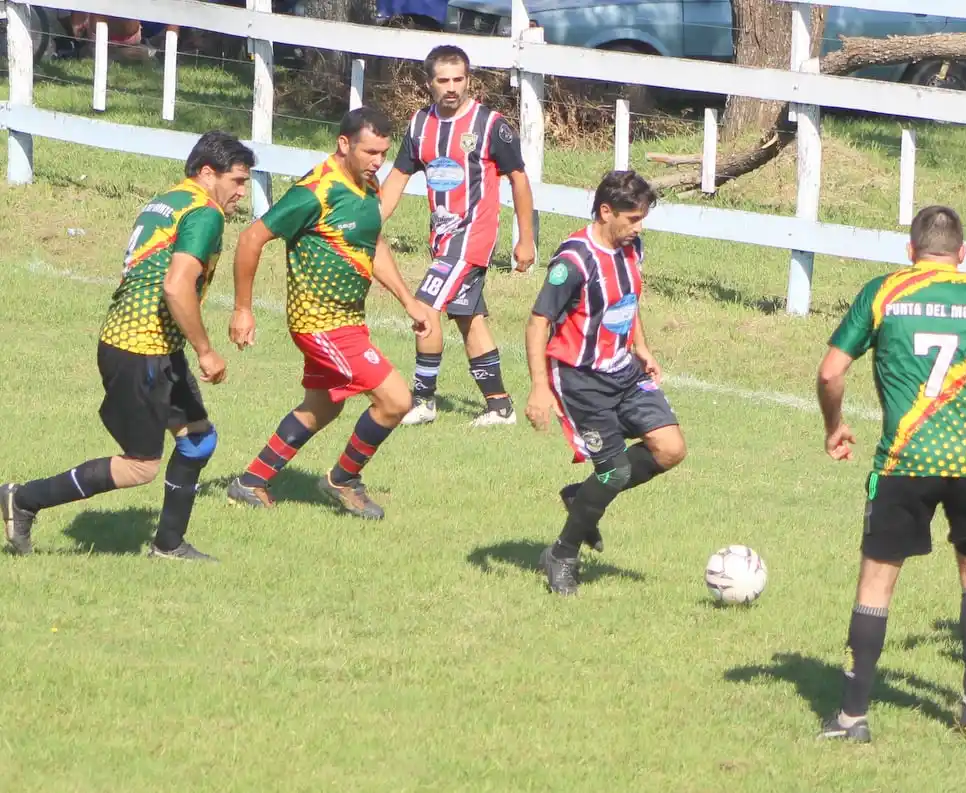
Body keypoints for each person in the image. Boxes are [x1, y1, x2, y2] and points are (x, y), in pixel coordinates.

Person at [814, 205, 966, 742]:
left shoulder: (883, 292)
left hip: (905, 461)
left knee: (878, 579)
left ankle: (852, 717)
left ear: (911, 251)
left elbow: (831, 371)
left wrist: (834, 425)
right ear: (962, 254)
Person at [1, 130, 256, 560]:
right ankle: (23, 498)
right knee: (140, 465)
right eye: (238, 181)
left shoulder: (167, 200)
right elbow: (177, 288)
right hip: (141, 349)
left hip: (148, 343)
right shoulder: (204, 212)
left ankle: (168, 546)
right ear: (208, 173)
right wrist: (206, 351)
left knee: (198, 440)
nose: (241, 193)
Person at [226, 107, 430, 520]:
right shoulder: (315, 191)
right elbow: (251, 238)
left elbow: (372, 244)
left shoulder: (367, 185)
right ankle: (343, 479)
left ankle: (250, 481)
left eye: (383, 153)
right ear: (343, 144)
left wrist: (408, 300)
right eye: (370, 152)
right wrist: (243, 310)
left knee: (322, 406)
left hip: (348, 321)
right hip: (320, 324)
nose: (378, 162)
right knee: (395, 400)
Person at [524, 170, 686, 596]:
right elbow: (539, 322)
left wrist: (642, 347)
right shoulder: (574, 262)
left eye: (643, 219)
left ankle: (582, 496)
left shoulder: (633, 248)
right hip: (581, 379)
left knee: (670, 449)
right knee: (612, 472)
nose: (639, 227)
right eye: (632, 219)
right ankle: (562, 553)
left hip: (624, 371)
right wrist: (539, 388)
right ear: (605, 211)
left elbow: (627, 302)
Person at [379, 44, 536, 428]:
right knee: (469, 318)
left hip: (472, 240)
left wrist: (526, 238)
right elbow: (399, 176)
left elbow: (518, 179)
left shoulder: (490, 125)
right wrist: (371, 220)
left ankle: (423, 401)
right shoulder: (419, 125)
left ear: (469, 80)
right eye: (443, 80)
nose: (452, 87)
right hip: (443, 240)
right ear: (429, 82)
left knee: (424, 309)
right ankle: (500, 407)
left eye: (459, 79)